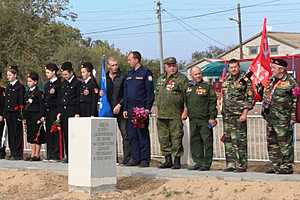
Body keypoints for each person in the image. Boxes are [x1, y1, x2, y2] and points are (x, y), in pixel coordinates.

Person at [262, 58, 299, 174]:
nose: (271, 70)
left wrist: (293, 117)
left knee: (284, 143)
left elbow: (296, 101)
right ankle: (275, 165)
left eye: (274, 68)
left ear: (281, 70)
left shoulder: (291, 82)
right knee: (272, 143)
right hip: (271, 117)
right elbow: (267, 95)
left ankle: (286, 166)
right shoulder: (271, 80)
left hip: (283, 118)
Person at [155, 57, 188, 169]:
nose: (172, 67)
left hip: (175, 114)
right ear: (165, 66)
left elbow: (186, 96)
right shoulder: (160, 79)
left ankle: (177, 161)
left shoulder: (181, 79)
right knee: (163, 138)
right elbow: (157, 95)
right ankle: (167, 160)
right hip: (162, 114)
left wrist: (185, 111)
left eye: (174, 65)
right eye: (169, 65)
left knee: (176, 138)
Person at [123, 51, 154, 167]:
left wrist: (147, 109)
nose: (128, 61)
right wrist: (125, 108)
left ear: (136, 59)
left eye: (130, 59)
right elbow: (126, 93)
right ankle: (135, 158)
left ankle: (144, 159)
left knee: (142, 134)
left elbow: (150, 93)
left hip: (141, 110)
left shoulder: (146, 72)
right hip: (130, 110)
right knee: (132, 135)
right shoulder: (129, 73)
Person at [222, 59, 253, 172]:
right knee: (228, 140)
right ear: (228, 69)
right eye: (231, 67)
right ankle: (231, 164)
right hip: (227, 116)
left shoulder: (245, 80)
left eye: (235, 67)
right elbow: (224, 95)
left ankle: (241, 165)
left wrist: (245, 113)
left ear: (239, 67)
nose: (233, 69)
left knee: (239, 140)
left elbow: (249, 98)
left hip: (239, 115)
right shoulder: (226, 79)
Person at [186, 67, 217, 171]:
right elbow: (185, 102)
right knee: (195, 141)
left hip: (205, 120)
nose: (198, 76)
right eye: (196, 74)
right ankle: (198, 162)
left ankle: (206, 163)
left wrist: (212, 117)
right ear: (191, 76)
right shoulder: (188, 87)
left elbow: (212, 102)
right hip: (193, 119)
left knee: (207, 141)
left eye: (199, 73)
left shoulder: (207, 87)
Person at [105, 57, 130, 165]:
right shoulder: (103, 78)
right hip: (108, 112)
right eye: (113, 65)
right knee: (109, 136)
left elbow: (127, 93)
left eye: (116, 65)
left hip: (120, 110)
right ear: (108, 66)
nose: (115, 67)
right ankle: (112, 159)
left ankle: (127, 159)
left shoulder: (123, 77)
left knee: (125, 134)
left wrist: (120, 104)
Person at [57, 62, 81, 163]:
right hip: (64, 112)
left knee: (74, 136)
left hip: (73, 112)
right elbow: (61, 98)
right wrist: (59, 112)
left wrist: (77, 112)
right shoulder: (63, 83)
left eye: (66, 74)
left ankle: (75, 155)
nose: (65, 76)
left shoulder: (77, 83)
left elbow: (79, 99)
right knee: (66, 135)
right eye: (63, 74)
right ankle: (68, 155)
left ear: (71, 72)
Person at [4, 66, 25, 160]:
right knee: (11, 133)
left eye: (10, 75)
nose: (8, 77)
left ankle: (18, 153)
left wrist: (20, 114)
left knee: (17, 133)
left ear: (15, 75)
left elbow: (21, 102)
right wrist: (5, 113)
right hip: (9, 113)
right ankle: (13, 152)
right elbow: (6, 101)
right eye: (7, 75)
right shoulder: (8, 86)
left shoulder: (20, 87)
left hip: (16, 113)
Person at [24, 72, 45, 161]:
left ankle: (37, 154)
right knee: (31, 135)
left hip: (37, 116)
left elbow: (41, 105)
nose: (28, 83)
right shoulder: (27, 92)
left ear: (35, 82)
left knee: (38, 135)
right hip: (29, 116)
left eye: (30, 81)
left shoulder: (39, 93)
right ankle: (32, 153)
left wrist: (41, 116)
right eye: (28, 81)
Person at [44, 63, 61, 161]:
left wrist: (59, 112)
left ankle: (56, 154)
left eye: (48, 72)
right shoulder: (47, 85)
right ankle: (49, 154)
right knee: (49, 134)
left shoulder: (58, 83)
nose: (46, 74)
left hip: (55, 111)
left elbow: (59, 99)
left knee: (55, 132)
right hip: (48, 111)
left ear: (54, 72)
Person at [0, 85, 5, 159]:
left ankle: (1, 151)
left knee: (1, 134)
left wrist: (1, 114)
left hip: (0, 116)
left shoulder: (2, 90)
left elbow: (3, 103)